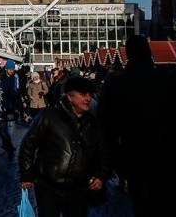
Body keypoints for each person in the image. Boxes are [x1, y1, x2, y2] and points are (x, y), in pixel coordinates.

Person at [97, 34, 176, 216]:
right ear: (149, 51)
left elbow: (106, 125)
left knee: (143, 204)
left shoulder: (116, 83)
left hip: (135, 154)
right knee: (175, 201)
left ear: (128, 53)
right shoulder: (172, 79)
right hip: (171, 154)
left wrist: (109, 160)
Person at [19, 75, 109, 217]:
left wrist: (101, 175)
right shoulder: (49, 116)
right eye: (82, 94)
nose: (88, 98)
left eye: (90, 95)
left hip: (78, 189)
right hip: (48, 186)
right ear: (70, 97)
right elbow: (28, 145)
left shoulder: (94, 124)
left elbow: (104, 153)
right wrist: (26, 174)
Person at [0, 59, 19, 163]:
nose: (12, 71)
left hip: (4, 108)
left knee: (3, 131)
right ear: (6, 69)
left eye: (13, 69)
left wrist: (10, 105)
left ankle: (10, 150)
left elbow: (11, 94)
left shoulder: (11, 79)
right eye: (10, 69)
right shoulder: (2, 78)